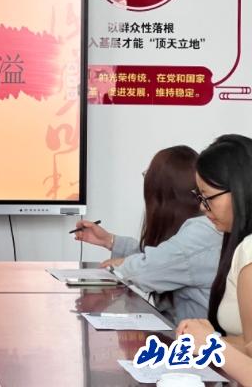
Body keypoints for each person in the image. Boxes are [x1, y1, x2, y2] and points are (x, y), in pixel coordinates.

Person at [73, 145, 222, 324]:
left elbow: (147, 269)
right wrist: (110, 241)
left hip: (196, 340)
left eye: (147, 175)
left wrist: (120, 266)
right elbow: (161, 257)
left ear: (163, 191)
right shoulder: (196, 229)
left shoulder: (200, 232)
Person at [175, 135, 252, 353]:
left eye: (208, 197)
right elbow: (246, 343)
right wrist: (204, 341)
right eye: (199, 197)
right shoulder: (238, 243)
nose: (202, 207)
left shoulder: (249, 250)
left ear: (240, 190)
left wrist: (209, 342)